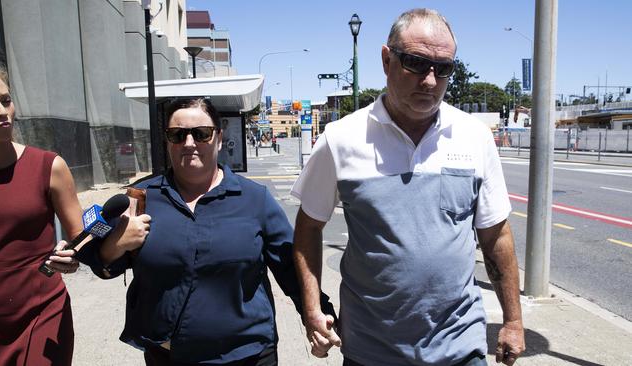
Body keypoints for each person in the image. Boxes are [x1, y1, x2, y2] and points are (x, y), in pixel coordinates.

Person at [291, 8, 525, 366]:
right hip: (371, 351)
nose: (430, 81)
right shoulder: (341, 139)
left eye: (443, 68)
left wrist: (513, 321)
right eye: (415, 63)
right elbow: (308, 227)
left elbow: (496, 235)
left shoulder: (475, 136)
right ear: (387, 60)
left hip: (460, 349)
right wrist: (311, 310)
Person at [77, 97, 335, 365]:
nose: (189, 143)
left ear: (219, 138)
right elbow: (104, 266)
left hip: (247, 355)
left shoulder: (254, 199)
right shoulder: (142, 197)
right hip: (168, 357)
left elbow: (291, 268)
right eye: (177, 135)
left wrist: (317, 313)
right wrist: (115, 245)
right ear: (167, 141)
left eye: (201, 134)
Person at [0, 61, 83, 364]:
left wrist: (73, 254)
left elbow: (80, 237)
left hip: (41, 312)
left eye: (6, 100)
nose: (3, 111)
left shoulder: (49, 167)